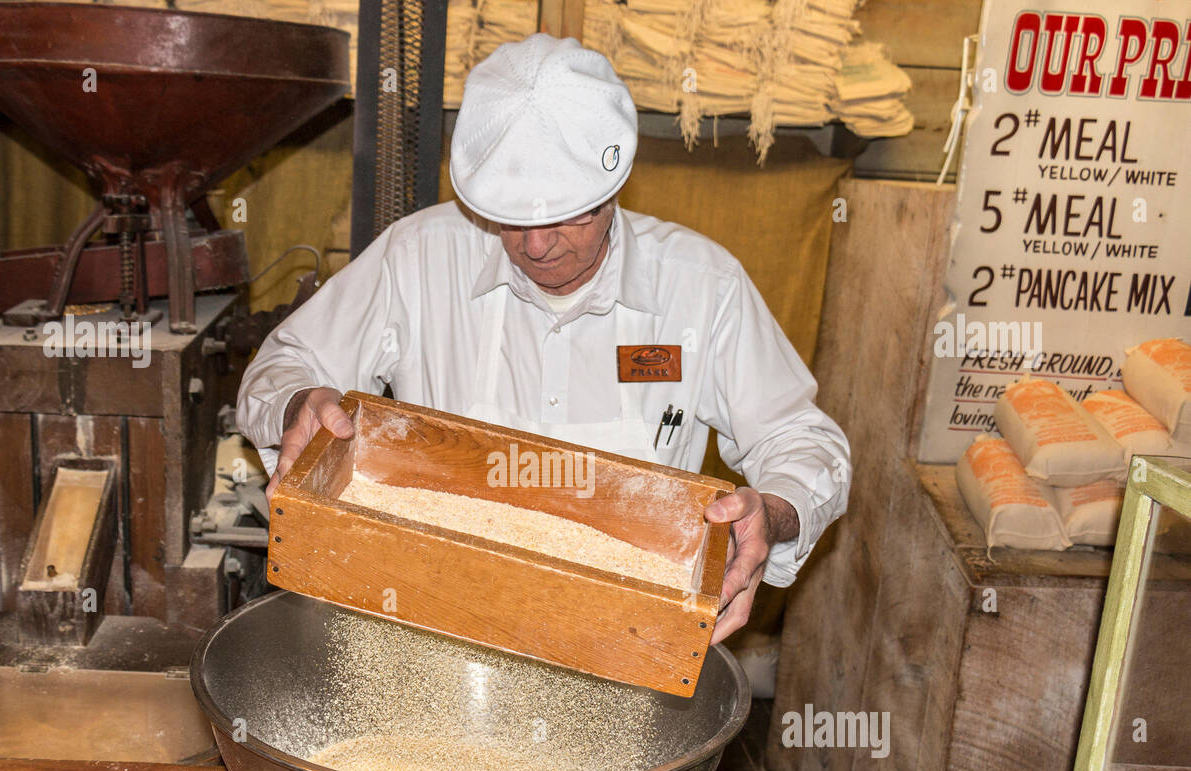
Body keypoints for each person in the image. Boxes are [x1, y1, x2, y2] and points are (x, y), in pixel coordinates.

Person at [237, 33, 850, 644]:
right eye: (512, 219)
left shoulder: (702, 289)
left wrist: (770, 512)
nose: (535, 246)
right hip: (432, 625)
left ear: (613, 189)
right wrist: (300, 403)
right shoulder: (420, 257)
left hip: (621, 644)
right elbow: (284, 365)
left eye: (568, 215)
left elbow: (803, 441)